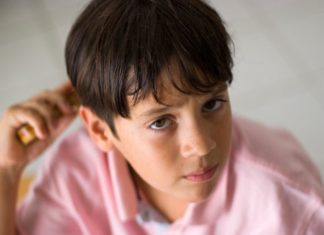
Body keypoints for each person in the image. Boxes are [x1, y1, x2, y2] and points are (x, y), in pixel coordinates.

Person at [0, 0, 323, 234]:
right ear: (100, 130)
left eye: (211, 104)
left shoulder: (288, 206)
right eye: (160, 122)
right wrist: (6, 169)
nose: (201, 144)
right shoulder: (75, 171)